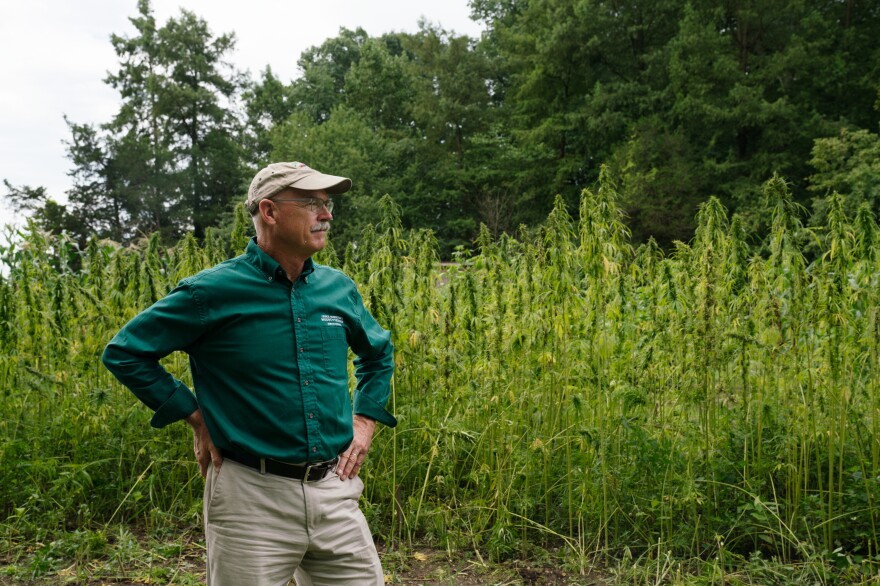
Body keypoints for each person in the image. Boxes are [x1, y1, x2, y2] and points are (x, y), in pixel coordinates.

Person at [102, 161, 396, 585]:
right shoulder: (211, 292)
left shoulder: (338, 288)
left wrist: (364, 420)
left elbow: (378, 353)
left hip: (334, 491)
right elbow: (126, 352)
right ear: (270, 211)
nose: (327, 215)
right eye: (312, 204)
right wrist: (195, 415)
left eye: (327, 204)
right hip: (248, 498)